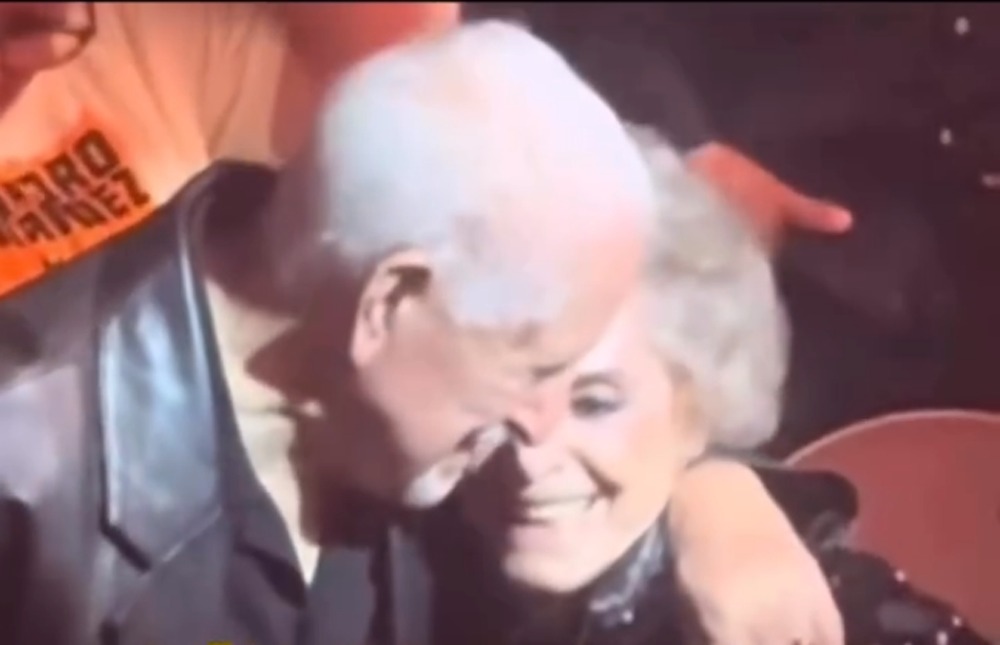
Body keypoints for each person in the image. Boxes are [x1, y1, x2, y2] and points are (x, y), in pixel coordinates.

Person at [0, 21, 827, 645]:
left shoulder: (401, 381)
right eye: (531, 365)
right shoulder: (25, 490)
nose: (535, 433)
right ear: (390, 300)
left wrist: (709, 487)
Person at [374, 129, 991, 645]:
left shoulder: (805, 613)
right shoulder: (380, 551)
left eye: (594, 404)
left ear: (694, 412)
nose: (530, 457)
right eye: (494, 395)